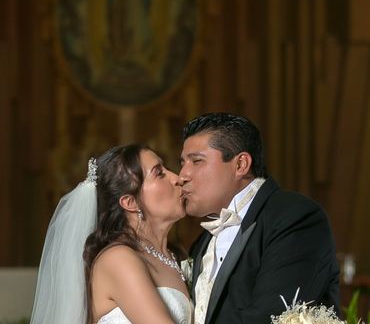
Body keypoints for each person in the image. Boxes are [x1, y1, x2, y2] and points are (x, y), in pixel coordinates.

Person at [178, 113, 340, 324]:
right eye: (182, 163)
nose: (182, 175)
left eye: (197, 161)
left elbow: (272, 315)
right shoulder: (202, 242)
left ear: (241, 165)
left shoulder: (295, 216)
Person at [31, 144, 192, 324]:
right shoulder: (117, 259)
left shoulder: (177, 256)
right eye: (159, 173)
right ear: (130, 202)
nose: (177, 178)